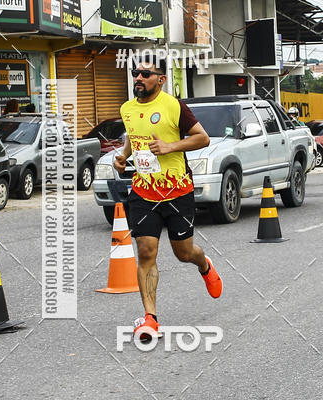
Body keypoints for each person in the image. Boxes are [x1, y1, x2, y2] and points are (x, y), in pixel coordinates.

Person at [113, 56, 223, 341]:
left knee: (183, 253)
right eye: (135, 72)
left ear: (160, 79)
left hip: (177, 191)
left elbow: (203, 138)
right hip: (143, 191)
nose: (138, 77)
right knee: (146, 251)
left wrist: (170, 146)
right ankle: (150, 318)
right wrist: (123, 156)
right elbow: (133, 136)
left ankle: (204, 264)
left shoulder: (174, 106)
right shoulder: (127, 108)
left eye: (145, 73)